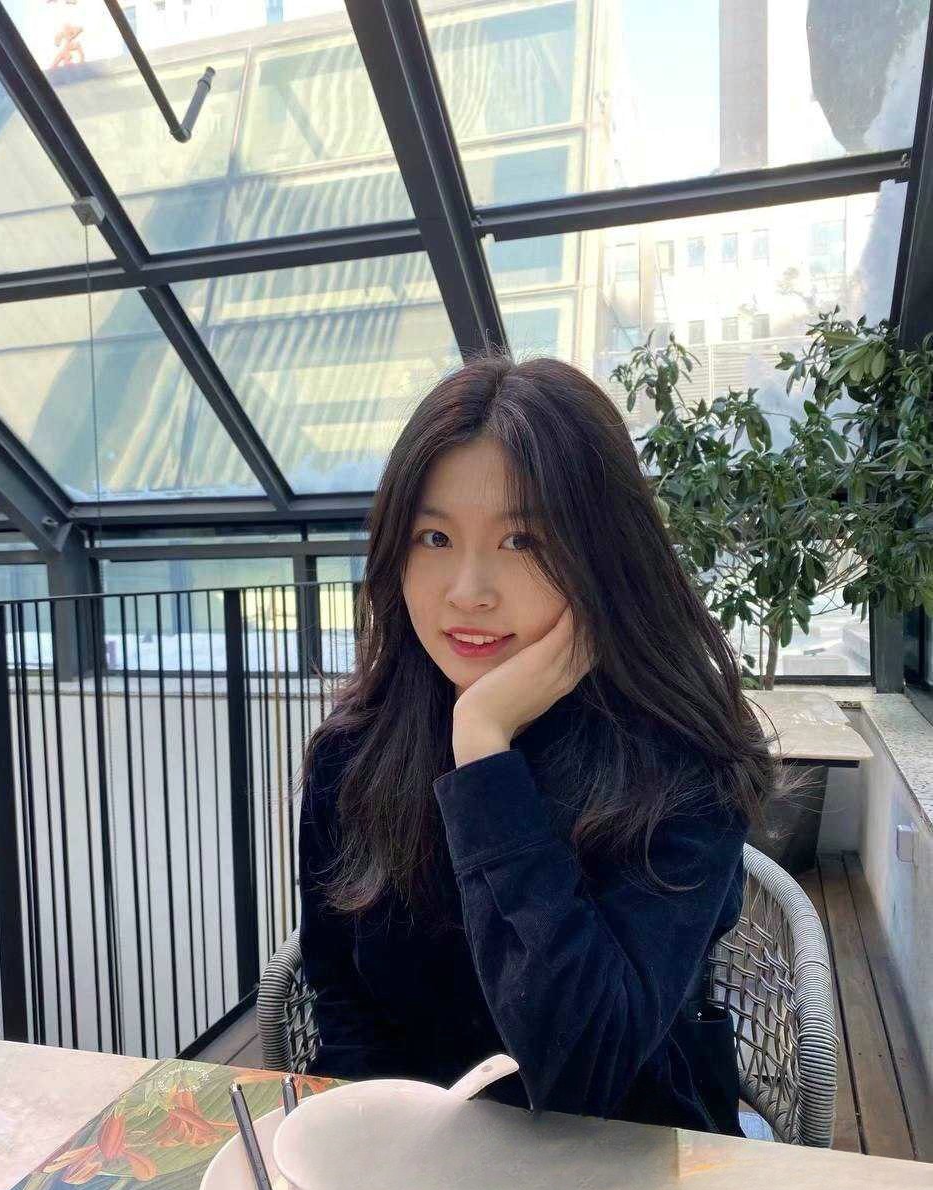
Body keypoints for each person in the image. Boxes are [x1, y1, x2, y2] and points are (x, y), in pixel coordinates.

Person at [295, 352, 785, 1137]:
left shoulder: (681, 764)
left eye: (523, 541)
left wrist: (484, 751)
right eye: (433, 536)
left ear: (603, 556)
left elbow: (585, 1074)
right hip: (408, 1168)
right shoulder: (354, 753)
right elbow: (341, 1003)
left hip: (625, 1163)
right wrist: (368, 1157)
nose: (468, 591)